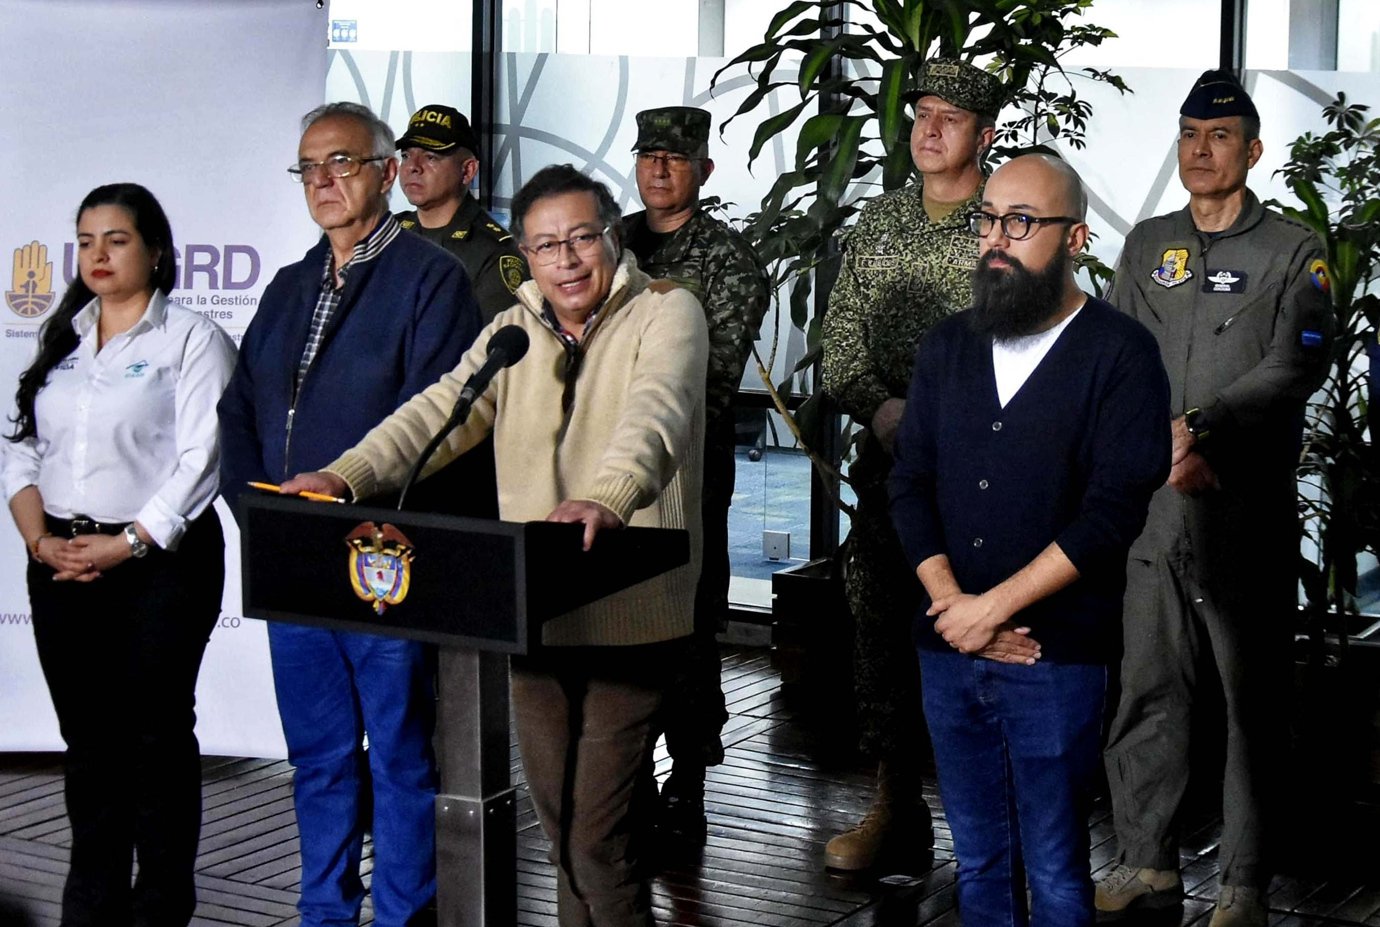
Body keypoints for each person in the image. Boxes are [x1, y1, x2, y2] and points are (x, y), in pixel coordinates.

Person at [283, 164, 709, 927]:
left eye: (583, 238)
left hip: (633, 612)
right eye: (546, 246)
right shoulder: (512, 329)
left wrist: (606, 497)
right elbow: (437, 408)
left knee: (597, 841)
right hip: (533, 614)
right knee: (564, 838)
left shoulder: (666, 311)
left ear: (612, 235)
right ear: (527, 254)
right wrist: (346, 476)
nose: (567, 260)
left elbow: (658, 414)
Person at [216, 101, 482, 927]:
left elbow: (436, 421)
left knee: (402, 752)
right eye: (307, 167)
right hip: (293, 555)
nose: (322, 181)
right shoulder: (291, 285)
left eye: (340, 162)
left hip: (382, 557)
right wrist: (259, 508)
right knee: (320, 754)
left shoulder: (430, 279)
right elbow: (239, 413)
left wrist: (349, 493)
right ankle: (324, 910)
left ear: (381, 170)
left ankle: (405, 913)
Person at [889, 154, 1170, 925]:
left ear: (1074, 236)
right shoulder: (948, 345)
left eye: (1021, 222)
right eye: (988, 219)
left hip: (1056, 656)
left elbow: (1112, 513)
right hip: (947, 647)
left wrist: (994, 611)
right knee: (977, 860)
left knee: (1053, 863)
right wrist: (957, 607)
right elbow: (909, 482)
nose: (997, 239)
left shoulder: (1120, 354)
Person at [1095, 71, 1335, 927]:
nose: (1201, 150)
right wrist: (1154, 444)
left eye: (1220, 136)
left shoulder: (1295, 251)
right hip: (1158, 506)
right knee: (1148, 686)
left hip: (1243, 505)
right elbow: (1113, 350)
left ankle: (1242, 884)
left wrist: (1201, 427)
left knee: (1250, 701)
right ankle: (1144, 860)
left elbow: (1295, 365)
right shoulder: (1147, 243)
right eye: (1191, 134)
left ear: (1253, 150)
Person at [2, 183, 236, 927]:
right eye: (86, 240)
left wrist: (129, 542)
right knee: (89, 741)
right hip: (63, 563)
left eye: (117, 239)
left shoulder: (192, 339)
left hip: (161, 564)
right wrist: (40, 540)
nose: (98, 255)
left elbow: (204, 459)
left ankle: (160, 907)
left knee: (156, 737)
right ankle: (90, 903)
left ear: (156, 250)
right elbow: (19, 450)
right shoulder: (62, 335)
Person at [818, 56, 1003, 870]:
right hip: (891, 468)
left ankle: (996, 831)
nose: (928, 129)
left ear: (984, 135)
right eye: (922, 113)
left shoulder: (1011, 221)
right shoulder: (880, 223)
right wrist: (880, 406)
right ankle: (896, 805)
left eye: (949, 119)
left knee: (988, 635)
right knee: (883, 631)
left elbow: (1038, 346)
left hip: (992, 478)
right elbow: (839, 347)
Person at [622, 105, 771, 844]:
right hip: (601, 468)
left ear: (703, 171)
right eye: (648, 155)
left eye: (674, 159)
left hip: (686, 468)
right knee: (612, 622)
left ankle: (688, 777)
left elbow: (706, 380)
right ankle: (628, 776)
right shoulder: (608, 241)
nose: (658, 168)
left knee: (684, 622)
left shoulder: (729, 259)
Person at [395, 103, 529, 321]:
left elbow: (490, 344)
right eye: (406, 155)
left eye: (431, 157)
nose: (413, 167)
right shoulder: (389, 233)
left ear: (467, 171)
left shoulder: (492, 252)